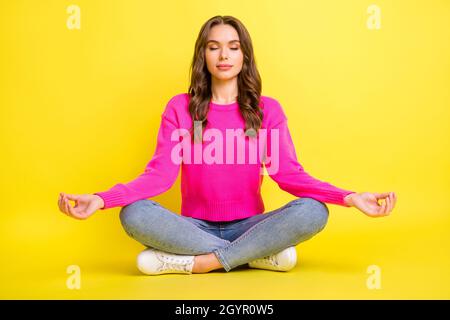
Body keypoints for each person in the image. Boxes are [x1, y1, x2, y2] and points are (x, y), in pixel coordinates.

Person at [57, 15, 397, 276]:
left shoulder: (268, 110)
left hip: (251, 224)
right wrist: (101, 199)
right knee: (134, 213)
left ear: (245, 55)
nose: (224, 55)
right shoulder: (179, 108)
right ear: (202, 54)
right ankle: (257, 255)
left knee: (312, 210)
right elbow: (158, 178)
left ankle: (202, 263)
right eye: (213, 46)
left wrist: (349, 198)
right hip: (193, 227)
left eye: (233, 46)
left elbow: (290, 175)